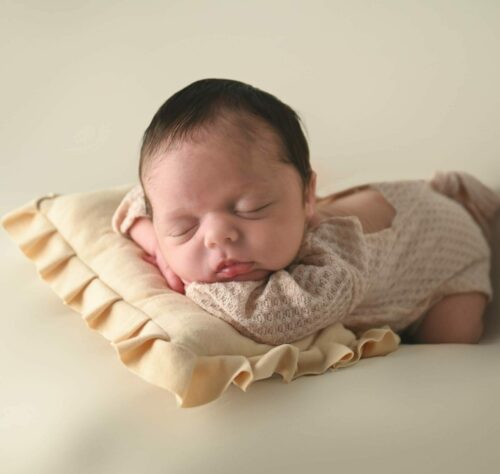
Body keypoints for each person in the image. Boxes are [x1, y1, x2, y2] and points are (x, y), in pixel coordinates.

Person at [112, 78, 500, 346]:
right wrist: (157, 241)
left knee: (451, 336)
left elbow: (270, 318)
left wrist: (189, 275)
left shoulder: (331, 263)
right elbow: (141, 198)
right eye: (184, 226)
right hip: (397, 209)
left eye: (251, 208)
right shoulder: (195, 204)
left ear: (306, 196)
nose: (216, 236)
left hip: (446, 246)